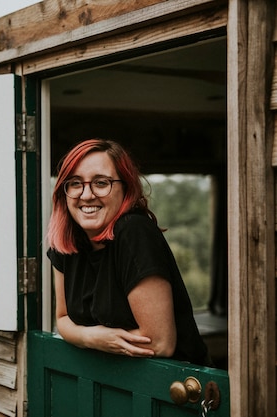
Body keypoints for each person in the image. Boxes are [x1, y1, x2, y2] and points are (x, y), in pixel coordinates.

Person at [46, 138, 210, 365]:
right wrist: (91, 337)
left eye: (101, 183)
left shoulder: (134, 231)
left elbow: (159, 343)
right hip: (113, 381)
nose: (86, 195)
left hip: (172, 386)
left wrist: (94, 340)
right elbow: (63, 319)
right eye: (75, 183)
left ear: (126, 188)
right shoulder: (67, 239)